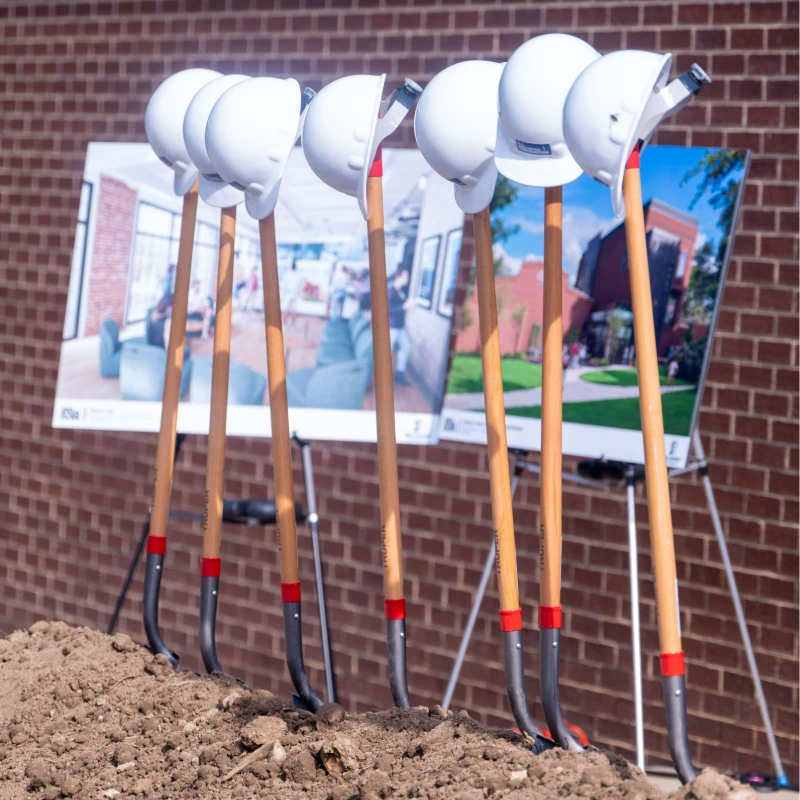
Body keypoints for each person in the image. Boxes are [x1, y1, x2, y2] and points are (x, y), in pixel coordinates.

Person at [387, 267, 417, 387]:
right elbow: (388, 310)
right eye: (405, 276)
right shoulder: (391, 291)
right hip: (392, 327)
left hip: (399, 327)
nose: (407, 278)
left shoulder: (400, 291)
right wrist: (405, 306)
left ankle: (399, 373)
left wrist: (408, 304)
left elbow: (400, 305)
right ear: (398, 277)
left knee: (406, 347)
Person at [280, 262, 304, 330]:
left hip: (288, 294)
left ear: (291, 267)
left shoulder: (287, 275)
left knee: (285, 310)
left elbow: (284, 286)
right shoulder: (299, 276)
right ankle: (292, 326)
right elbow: (300, 286)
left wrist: (281, 296)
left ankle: (283, 325)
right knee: (294, 311)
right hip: (295, 294)